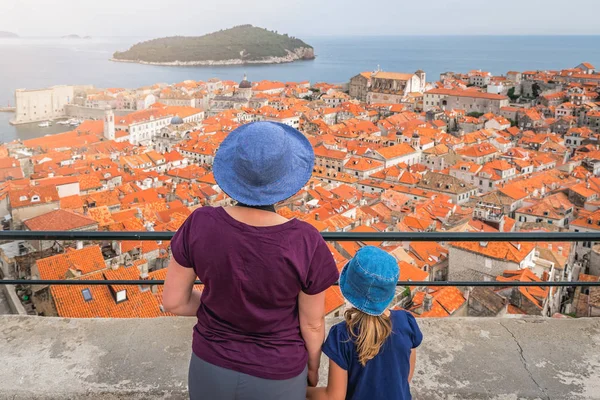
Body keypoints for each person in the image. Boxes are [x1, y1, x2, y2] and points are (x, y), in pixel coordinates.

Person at [163, 121, 340, 400]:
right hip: (279, 371)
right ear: (287, 179)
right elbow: (313, 324)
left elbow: (174, 301)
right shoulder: (306, 240)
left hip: (211, 365)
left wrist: (219, 304)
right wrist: (313, 369)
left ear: (234, 172)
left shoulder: (200, 224)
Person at [307, 246, 422, 400]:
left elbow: (333, 397)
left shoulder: (342, 336)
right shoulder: (406, 322)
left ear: (348, 287)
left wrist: (303, 390)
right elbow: (405, 378)